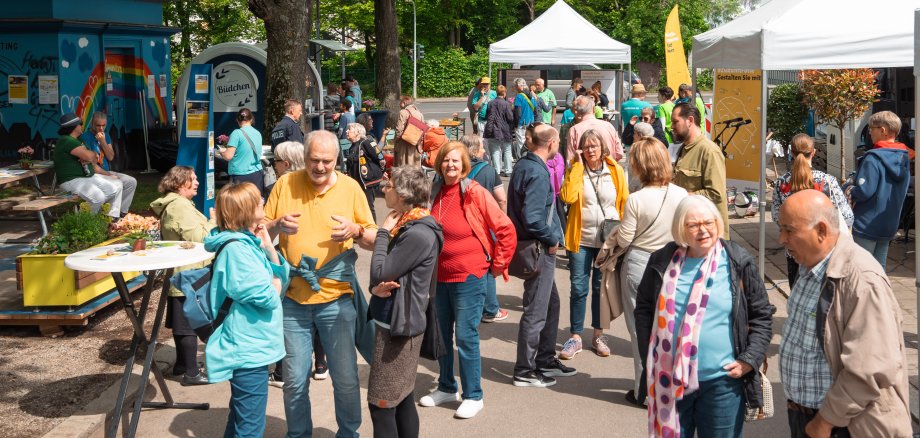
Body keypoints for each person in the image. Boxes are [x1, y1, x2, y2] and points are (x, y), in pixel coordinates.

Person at [264, 130, 377, 437]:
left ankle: (348, 432)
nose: (320, 167)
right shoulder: (286, 183)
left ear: (336, 160)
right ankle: (298, 434)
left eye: (327, 161)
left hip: (336, 299)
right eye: (314, 160)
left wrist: (354, 229)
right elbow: (260, 231)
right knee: (295, 380)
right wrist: (275, 225)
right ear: (305, 157)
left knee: (345, 378)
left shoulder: (351, 188)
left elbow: (373, 239)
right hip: (292, 299)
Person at [777, 190, 911, 437]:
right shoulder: (811, 264)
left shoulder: (861, 279)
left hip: (845, 425)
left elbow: (871, 366)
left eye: (789, 230)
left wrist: (826, 421)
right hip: (809, 416)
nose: (781, 238)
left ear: (821, 230)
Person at [636, 195, 773, 437]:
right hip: (670, 381)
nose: (703, 230)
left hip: (722, 383)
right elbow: (644, 309)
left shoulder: (738, 261)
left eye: (708, 222)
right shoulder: (661, 260)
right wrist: (650, 355)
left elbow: (762, 316)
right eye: (694, 225)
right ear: (681, 228)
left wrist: (749, 360)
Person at [419, 141, 516, 419]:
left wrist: (497, 266)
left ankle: (474, 395)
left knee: (465, 335)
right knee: (441, 335)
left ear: (464, 165)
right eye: (446, 160)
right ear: (439, 164)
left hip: (470, 275)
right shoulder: (434, 191)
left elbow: (505, 229)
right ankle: (447, 386)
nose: (451, 165)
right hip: (439, 277)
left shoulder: (474, 192)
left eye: (456, 161)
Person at [608, 138, 689, 406]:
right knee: (673, 327)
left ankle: (644, 390)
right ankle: (675, 386)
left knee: (640, 330)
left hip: (641, 263)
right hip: (674, 262)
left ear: (639, 166)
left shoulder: (636, 199)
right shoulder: (681, 195)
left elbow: (625, 239)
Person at [205, 182, 290, 438]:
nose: (264, 202)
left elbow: (281, 277)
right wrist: (275, 283)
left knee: (241, 418)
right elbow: (266, 295)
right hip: (247, 348)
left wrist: (268, 247)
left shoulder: (248, 243)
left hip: (254, 344)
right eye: (259, 201)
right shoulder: (237, 250)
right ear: (245, 211)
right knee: (250, 428)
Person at [367, 166, 442, 438]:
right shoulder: (409, 223)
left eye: (389, 185)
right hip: (399, 319)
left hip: (399, 326)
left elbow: (379, 272)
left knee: (382, 403)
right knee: (401, 398)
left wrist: (382, 233)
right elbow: (381, 277)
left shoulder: (416, 232)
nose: (384, 188)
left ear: (403, 194)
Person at [509, 124, 575, 388]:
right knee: (536, 310)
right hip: (538, 248)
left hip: (535, 246)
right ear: (550, 143)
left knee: (551, 304)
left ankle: (545, 359)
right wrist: (551, 239)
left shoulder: (525, 165)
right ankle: (525, 370)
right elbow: (534, 218)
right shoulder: (536, 172)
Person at [558, 129, 628, 360]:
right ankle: (576, 336)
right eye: (585, 146)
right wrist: (577, 166)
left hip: (607, 241)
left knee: (600, 289)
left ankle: (598, 334)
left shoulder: (616, 170)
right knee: (579, 288)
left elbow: (624, 203)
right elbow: (567, 197)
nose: (590, 150)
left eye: (594, 146)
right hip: (581, 239)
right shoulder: (576, 170)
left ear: (603, 147)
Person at [150, 166, 215, 386]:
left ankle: (182, 365)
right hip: (188, 273)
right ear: (180, 183)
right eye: (193, 179)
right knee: (187, 324)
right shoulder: (180, 206)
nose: (197, 182)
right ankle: (191, 372)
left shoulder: (178, 204)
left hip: (182, 272)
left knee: (181, 321)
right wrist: (214, 222)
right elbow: (199, 237)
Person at [265, 140, 319, 388]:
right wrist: (276, 224)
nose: (273, 165)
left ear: (284, 163)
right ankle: (320, 365)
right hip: (297, 275)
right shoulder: (283, 186)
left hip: (301, 277)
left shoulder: (282, 184)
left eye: (275, 161)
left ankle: (285, 372)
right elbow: (265, 228)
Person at [772, 134, 853, 287]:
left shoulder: (781, 183)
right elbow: (847, 217)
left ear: (791, 153)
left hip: (794, 250)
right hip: (824, 252)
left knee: (798, 299)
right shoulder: (827, 181)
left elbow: (777, 217)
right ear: (813, 152)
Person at [846, 110, 911, 269]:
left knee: (861, 270)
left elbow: (864, 191)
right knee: (879, 269)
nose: (869, 132)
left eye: (871, 128)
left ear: (882, 130)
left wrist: (850, 189)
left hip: (866, 224)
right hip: (889, 223)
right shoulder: (904, 157)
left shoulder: (873, 158)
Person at [460, 134, 509, 323]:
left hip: (460, 224)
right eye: (481, 147)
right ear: (474, 149)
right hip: (484, 225)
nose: (483, 150)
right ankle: (490, 309)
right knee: (487, 266)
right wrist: (501, 219)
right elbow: (501, 199)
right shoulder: (488, 171)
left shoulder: (453, 169)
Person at [672, 103, 729, 238]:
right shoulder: (684, 148)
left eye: (675, 122)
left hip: (709, 236)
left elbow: (716, 193)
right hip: (692, 232)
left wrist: (681, 195)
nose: (672, 127)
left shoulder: (709, 151)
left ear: (690, 121)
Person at [53, 112, 124, 218]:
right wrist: (91, 155)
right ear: (74, 127)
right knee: (98, 197)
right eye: (80, 124)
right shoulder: (67, 140)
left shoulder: (75, 140)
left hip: (84, 177)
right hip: (71, 180)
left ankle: (106, 218)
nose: (82, 126)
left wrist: (90, 157)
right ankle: (82, 223)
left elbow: (92, 159)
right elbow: (90, 157)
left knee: (113, 189)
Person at [81, 112, 137, 216]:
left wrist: (103, 142)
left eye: (104, 125)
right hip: (95, 173)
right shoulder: (85, 137)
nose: (101, 128)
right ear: (92, 124)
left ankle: (122, 212)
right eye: (98, 125)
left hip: (106, 171)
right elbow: (91, 164)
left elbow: (111, 156)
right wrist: (109, 175)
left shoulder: (105, 136)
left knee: (131, 182)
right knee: (117, 183)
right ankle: (111, 215)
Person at [217, 108, 264, 196]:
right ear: (251, 119)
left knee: (240, 205)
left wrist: (221, 152)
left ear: (238, 120)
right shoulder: (258, 133)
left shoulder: (236, 133)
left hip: (241, 176)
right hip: (257, 174)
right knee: (254, 203)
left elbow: (228, 156)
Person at [345, 123, 386, 220]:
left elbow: (380, 157)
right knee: (359, 207)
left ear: (357, 133)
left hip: (368, 181)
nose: (346, 132)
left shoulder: (367, 142)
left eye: (349, 130)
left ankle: (374, 231)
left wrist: (382, 171)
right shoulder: (353, 146)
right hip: (358, 182)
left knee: (368, 207)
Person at [567, 96, 623, 162]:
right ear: (594, 109)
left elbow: (570, 159)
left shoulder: (574, 130)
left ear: (577, 112)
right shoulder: (609, 126)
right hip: (609, 169)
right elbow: (619, 153)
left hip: (583, 171)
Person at [484, 84, 514, 176]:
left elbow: (486, 116)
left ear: (496, 92)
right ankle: (508, 170)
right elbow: (510, 118)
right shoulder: (506, 104)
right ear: (504, 93)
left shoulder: (490, 103)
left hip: (492, 130)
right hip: (505, 130)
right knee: (507, 150)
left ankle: (497, 170)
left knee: (495, 151)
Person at [394, 95, 425, 167]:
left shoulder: (403, 112)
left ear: (404, 102)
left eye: (400, 102)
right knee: (414, 167)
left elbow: (399, 130)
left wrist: (396, 141)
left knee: (403, 166)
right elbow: (423, 131)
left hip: (404, 143)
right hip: (415, 143)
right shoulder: (419, 113)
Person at [512, 78, 537, 162]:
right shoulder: (532, 95)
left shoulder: (519, 96)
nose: (515, 87)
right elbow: (536, 110)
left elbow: (517, 112)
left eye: (515, 86)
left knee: (521, 143)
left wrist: (515, 124)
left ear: (519, 86)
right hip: (531, 123)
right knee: (530, 142)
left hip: (521, 124)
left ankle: (521, 161)